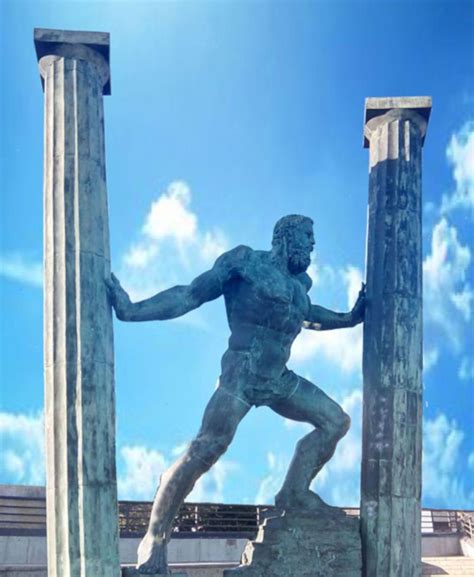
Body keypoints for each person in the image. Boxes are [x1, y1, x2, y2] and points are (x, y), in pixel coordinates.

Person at [106, 214, 365, 574]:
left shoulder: (299, 287)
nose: (312, 247)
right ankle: (154, 541)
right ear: (285, 237)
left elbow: (312, 316)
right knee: (206, 447)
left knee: (335, 421)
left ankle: (294, 492)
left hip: (279, 379)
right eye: (306, 238)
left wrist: (350, 317)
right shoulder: (245, 262)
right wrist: (132, 311)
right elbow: (190, 294)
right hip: (241, 374)